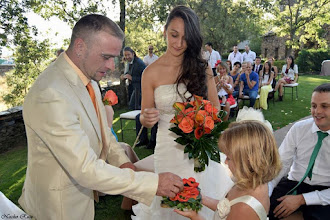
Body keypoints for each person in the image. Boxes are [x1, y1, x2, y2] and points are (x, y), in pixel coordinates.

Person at [18, 14, 184, 219]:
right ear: (80, 47)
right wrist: (153, 184)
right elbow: (85, 169)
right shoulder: (51, 93)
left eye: (114, 58)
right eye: (106, 57)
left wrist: (123, 163)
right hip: (58, 208)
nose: (112, 66)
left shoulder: (89, 80)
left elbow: (103, 131)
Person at [132, 6, 233, 219]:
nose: (178, 44)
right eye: (174, 35)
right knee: (168, 203)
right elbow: (144, 116)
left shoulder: (201, 66)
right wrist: (146, 118)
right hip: (167, 149)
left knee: (201, 196)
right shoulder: (149, 72)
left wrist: (200, 120)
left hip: (197, 146)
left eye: (185, 38)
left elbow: (215, 108)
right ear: (164, 31)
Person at [175, 120, 282, 220]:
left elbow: (236, 209)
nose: (225, 162)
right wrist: (201, 198)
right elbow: (226, 207)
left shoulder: (245, 208)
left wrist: (195, 216)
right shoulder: (250, 181)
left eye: (229, 158)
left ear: (247, 160)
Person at [268, 83, 330, 220]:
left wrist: (302, 199)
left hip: (324, 189)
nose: (317, 112)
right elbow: (281, 163)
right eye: (314, 106)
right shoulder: (299, 128)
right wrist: (267, 191)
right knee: (264, 209)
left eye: (324, 106)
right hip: (294, 182)